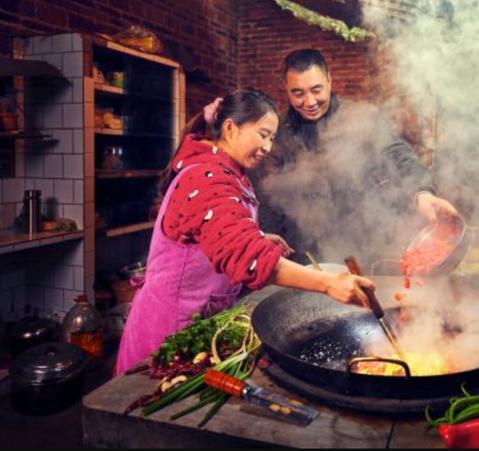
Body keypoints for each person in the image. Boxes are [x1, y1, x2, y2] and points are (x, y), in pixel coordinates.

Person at [114, 88, 375, 376]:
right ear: (230, 128)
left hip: (202, 323)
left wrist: (259, 237)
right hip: (169, 332)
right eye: (263, 134)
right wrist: (327, 283)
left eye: (272, 138)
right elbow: (246, 255)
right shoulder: (206, 175)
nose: (268, 146)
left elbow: (212, 231)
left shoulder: (226, 170)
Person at [244, 48, 459, 268]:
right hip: (305, 257)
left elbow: (396, 153)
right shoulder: (278, 136)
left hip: (363, 246)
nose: (309, 102)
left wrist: (422, 191)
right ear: (286, 90)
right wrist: (271, 250)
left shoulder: (360, 118)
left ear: (329, 80)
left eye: (316, 90)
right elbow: (267, 197)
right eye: (298, 93)